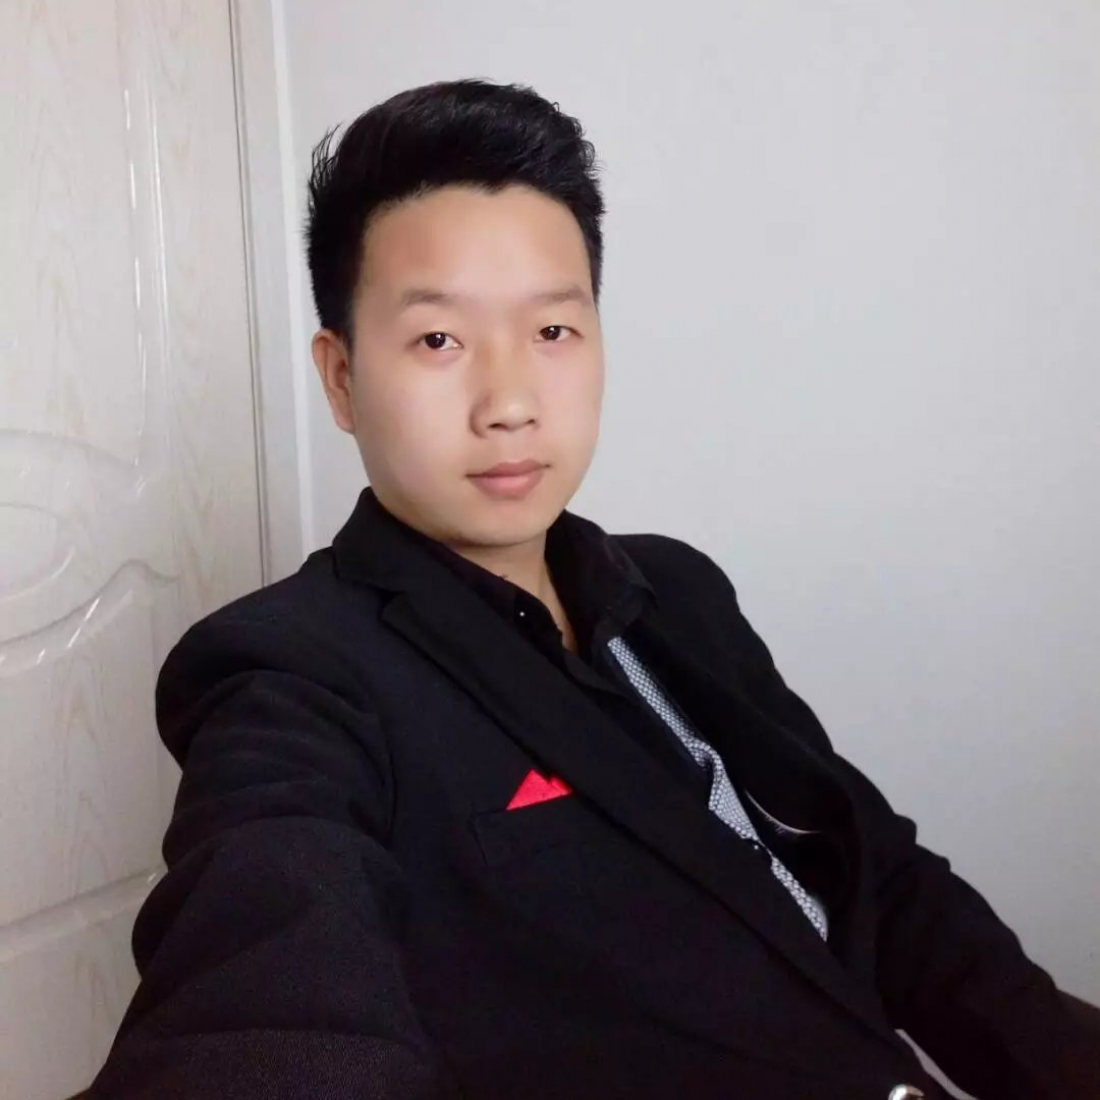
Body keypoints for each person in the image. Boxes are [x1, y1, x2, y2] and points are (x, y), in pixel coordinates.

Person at [90, 78, 1098, 1099]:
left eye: (552, 332)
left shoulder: (676, 588)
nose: (509, 403)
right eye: (438, 340)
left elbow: (882, 877)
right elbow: (265, 1005)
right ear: (342, 377)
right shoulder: (293, 675)